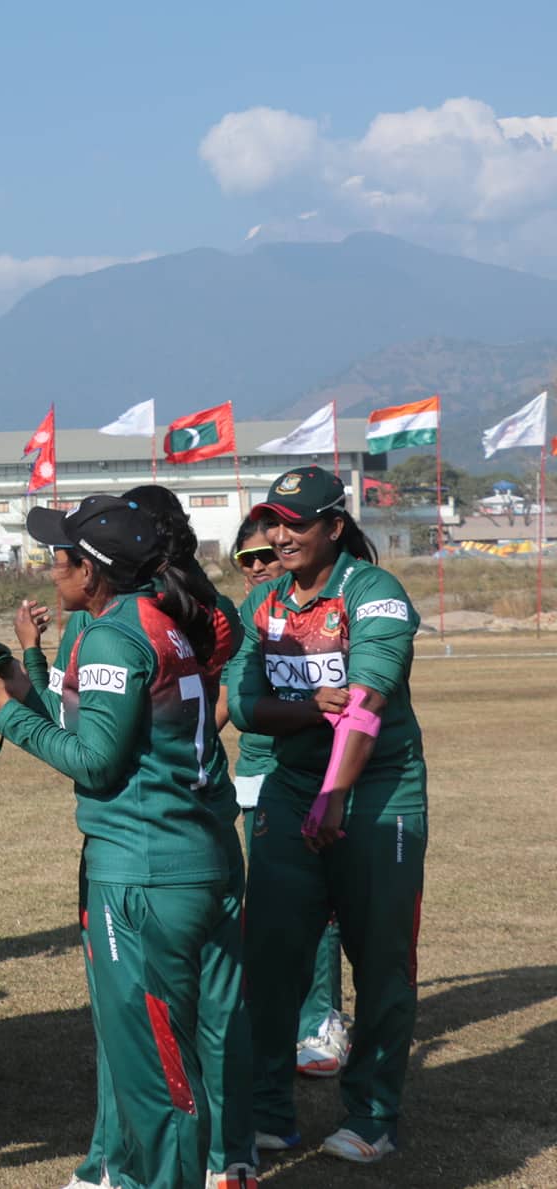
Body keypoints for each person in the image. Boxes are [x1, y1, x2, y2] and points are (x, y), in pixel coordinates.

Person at [0, 494, 248, 1189]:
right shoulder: (163, 618)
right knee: (181, 1054)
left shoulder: (112, 635)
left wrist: (4, 709)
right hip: (193, 857)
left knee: (156, 1076)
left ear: (93, 571)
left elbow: (97, 762)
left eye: (60, 558)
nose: (51, 570)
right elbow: (107, 727)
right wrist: (25, 677)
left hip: (143, 874)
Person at [228, 467, 424, 1167]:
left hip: (377, 792)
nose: (281, 536)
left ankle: (371, 1114)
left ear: (335, 526)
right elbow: (243, 704)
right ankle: (269, 1113)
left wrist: (335, 794)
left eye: (296, 523)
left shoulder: (374, 593)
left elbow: (366, 703)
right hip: (290, 788)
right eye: (274, 522)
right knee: (270, 955)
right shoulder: (264, 603)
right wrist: (312, 709)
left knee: (381, 960)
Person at [226, 519, 349, 1083]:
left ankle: (321, 1019)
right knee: (272, 908)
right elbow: (230, 696)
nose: (257, 565)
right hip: (258, 773)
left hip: (315, 775)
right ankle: (277, 1019)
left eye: (264, 555)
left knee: (319, 903)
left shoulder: (329, 610)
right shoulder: (249, 617)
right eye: (244, 558)